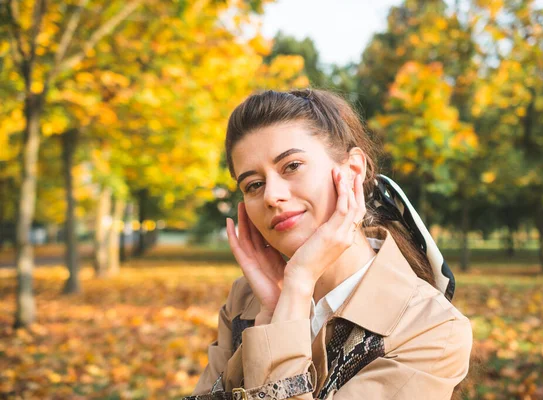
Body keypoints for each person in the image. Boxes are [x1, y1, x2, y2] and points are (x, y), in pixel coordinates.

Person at [184, 89, 473, 400]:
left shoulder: (432, 329)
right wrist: (272, 310)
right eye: (254, 184)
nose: (271, 196)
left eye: (291, 166)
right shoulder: (245, 301)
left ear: (352, 172)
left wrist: (297, 285)